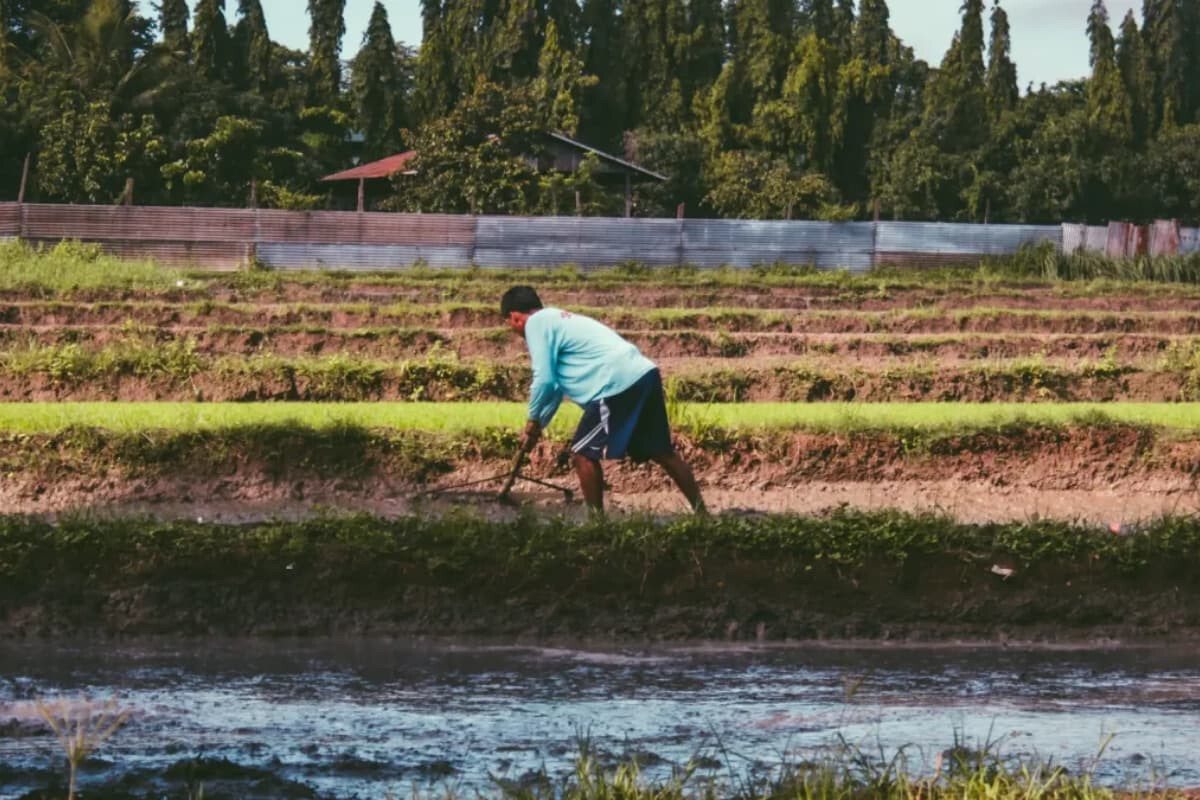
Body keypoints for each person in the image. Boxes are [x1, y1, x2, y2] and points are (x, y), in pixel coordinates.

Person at [501, 285, 706, 514]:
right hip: (643, 374)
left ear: (515, 317)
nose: (514, 330)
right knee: (662, 452)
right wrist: (539, 425)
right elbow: (555, 388)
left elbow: (543, 380)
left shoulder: (536, 324)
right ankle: (703, 514)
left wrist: (531, 419)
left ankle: (597, 523)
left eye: (509, 324)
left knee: (582, 454)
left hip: (614, 383)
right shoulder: (555, 320)